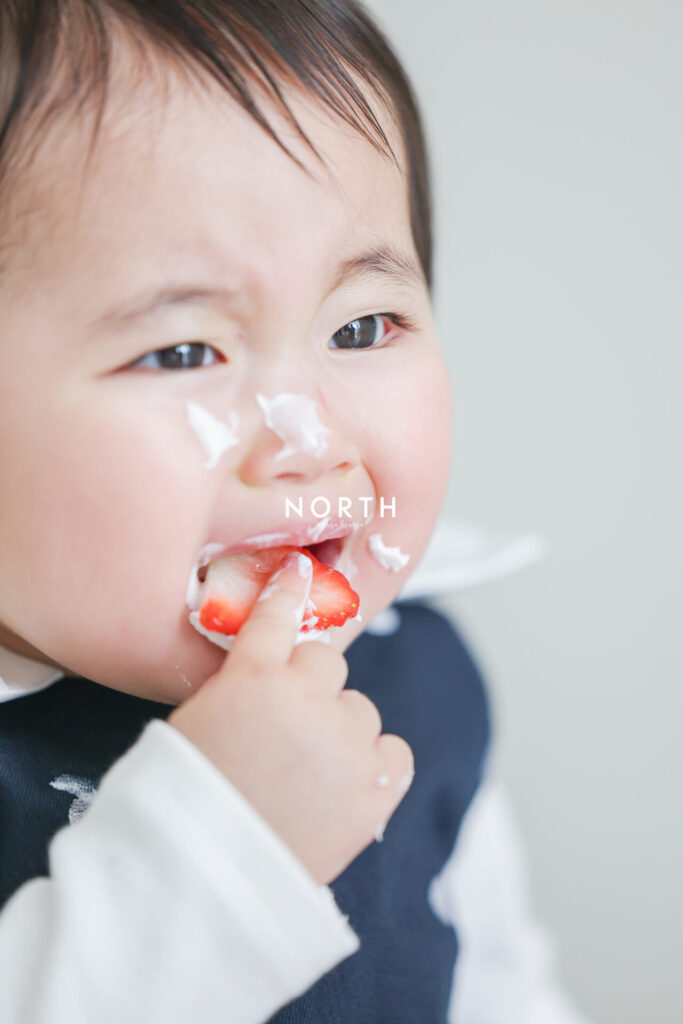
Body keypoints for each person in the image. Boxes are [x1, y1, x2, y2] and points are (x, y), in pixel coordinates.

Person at [0, 2, 593, 1021]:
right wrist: (216, 858)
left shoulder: (419, 677)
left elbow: (498, 988)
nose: (306, 438)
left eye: (361, 327)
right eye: (182, 352)